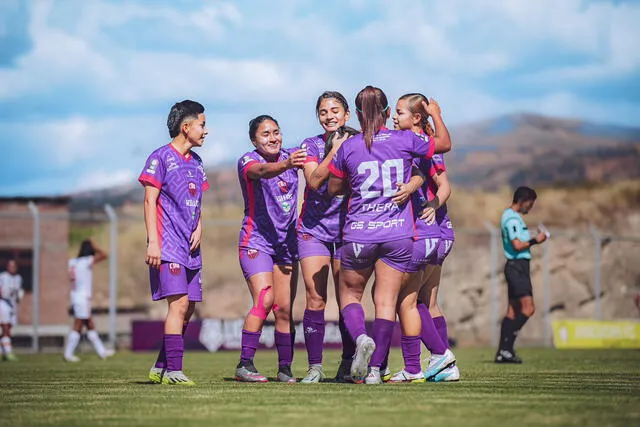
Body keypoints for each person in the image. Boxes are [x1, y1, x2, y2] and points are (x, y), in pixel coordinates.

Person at [327, 85, 451, 384]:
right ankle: (373, 371)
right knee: (387, 302)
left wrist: (355, 185)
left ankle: (360, 339)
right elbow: (443, 144)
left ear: (357, 114)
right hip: (398, 234)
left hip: (359, 233)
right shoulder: (405, 139)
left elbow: (332, 188)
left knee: (350, 295)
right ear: (385, 113)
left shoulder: (349, 146)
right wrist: (435, 115)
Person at [385, 93, 456, 383]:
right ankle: (445, 365)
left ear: (416, 117)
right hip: (437, 234)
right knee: (428, 302)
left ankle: (437, 356)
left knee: (407, 300)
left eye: (399, 112)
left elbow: (443, 184)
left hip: (427, 233)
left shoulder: (423, 146)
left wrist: (432, 206)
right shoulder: (408, 141)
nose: (394, 117)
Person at [139, 100, 209, 386]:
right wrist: (152, 243)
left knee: (189, 307)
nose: (206, 131)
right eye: (202, 125)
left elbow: (196, 202)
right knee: (178, 305)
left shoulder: (197, 162)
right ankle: (174, 372)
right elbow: (149, 200)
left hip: (191, 247)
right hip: (168, 245)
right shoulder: (160, 158)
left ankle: (160, 365)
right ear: (186, 127)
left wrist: (200, 227)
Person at [235, 115, 307, 383]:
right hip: (256, 242)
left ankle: (285, 369)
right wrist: (286, 163)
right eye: (265, 134)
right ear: (254, 140)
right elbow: (262, 172)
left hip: (287, 245)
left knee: (284, 309)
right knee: (265, 300)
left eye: (276, 132)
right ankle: (245, 365)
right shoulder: (248, 160)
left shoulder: (292, 157)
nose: (273, 137)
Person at [297, 91, 358, 383]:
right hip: (313, 230)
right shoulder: (310, 145)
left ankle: (347, 364)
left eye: (335, 110)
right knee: (315, 298)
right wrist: (335, 150)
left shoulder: (359, 142)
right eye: (323, 112)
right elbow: (314, 180)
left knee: (347, 298)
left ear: (347, 115)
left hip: (348, 231)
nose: (329, 116)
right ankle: (315, 367)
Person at [495, 186, 547, 363]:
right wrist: (536, 240)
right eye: (530, 204)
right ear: (523, 201)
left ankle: (503, 352)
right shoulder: (512, 219)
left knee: (512, 311)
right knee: (528, 309)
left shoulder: (510, 216)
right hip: (517, 267)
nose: (530, 208)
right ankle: (506, 348)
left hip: (516, 266)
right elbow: (517, 245)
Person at [63, 239, 113, 362]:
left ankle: (102, 351)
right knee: (78, 324)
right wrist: (96, 247)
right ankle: (68, 354)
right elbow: (105, 255)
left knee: (89, 324)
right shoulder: (86, 261)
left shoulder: (72, 262)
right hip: (82, 297)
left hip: (75, 295)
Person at [0, 259, 24, 362]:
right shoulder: (3, 277)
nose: (12, 268)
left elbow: (18, 293)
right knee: (5, 329)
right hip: (4, 304)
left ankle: (3, 352)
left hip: (13, 306)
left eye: (14, 266)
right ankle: (8, 352)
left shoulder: (18, 278)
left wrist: (19, 296)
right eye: (10, 266)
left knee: (9, 329)